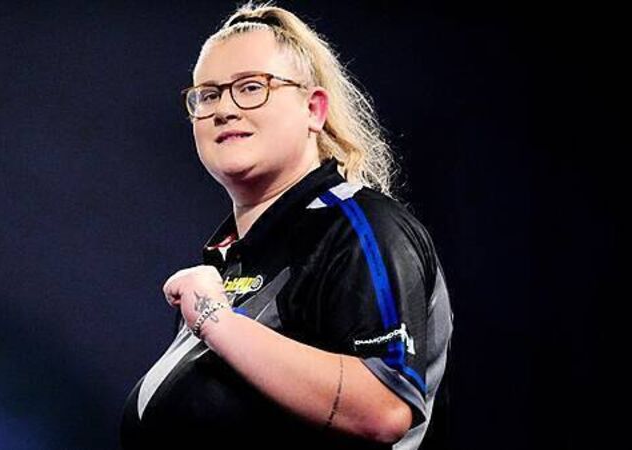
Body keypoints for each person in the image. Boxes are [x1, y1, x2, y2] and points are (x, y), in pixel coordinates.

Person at [120, 2, 453, 449]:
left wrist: (215, 320)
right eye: (209, 95)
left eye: (251, 87)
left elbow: (384, 407)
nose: (224, 109)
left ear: (313, 109)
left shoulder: (360, 227)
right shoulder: (231, 264)